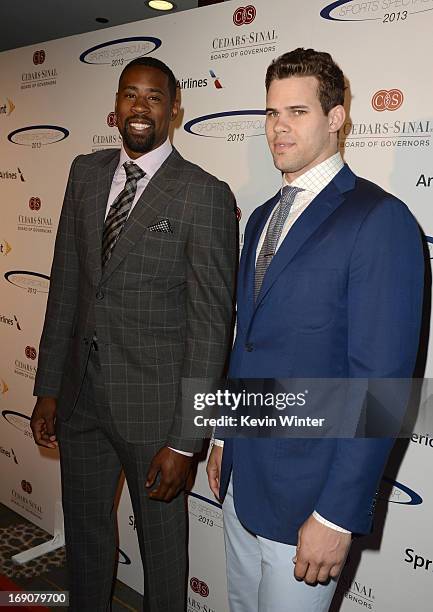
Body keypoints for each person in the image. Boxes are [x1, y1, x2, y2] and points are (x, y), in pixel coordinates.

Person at [207, 48, 423, 612]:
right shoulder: (260, 217)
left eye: (297, 112)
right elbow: (248, 343)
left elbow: (380, 387)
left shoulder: (382, 220)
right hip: (241, 479)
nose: (279, 126)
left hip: (310, 500)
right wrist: (223, 435)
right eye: (272, 112)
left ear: (336, 117)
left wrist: (336, 513)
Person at [30, 56, 237, 612]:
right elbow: (66, 286)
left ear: (173, 108)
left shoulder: (204, 194)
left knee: (165, 561)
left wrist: (184, 438)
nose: (140, 107)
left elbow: (211, 326)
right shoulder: (85, 171)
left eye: (153, 97)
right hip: (80, 402)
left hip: (156, 415)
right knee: (88, 540)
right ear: (115, 106)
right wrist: (48, 387)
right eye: (130, 94)